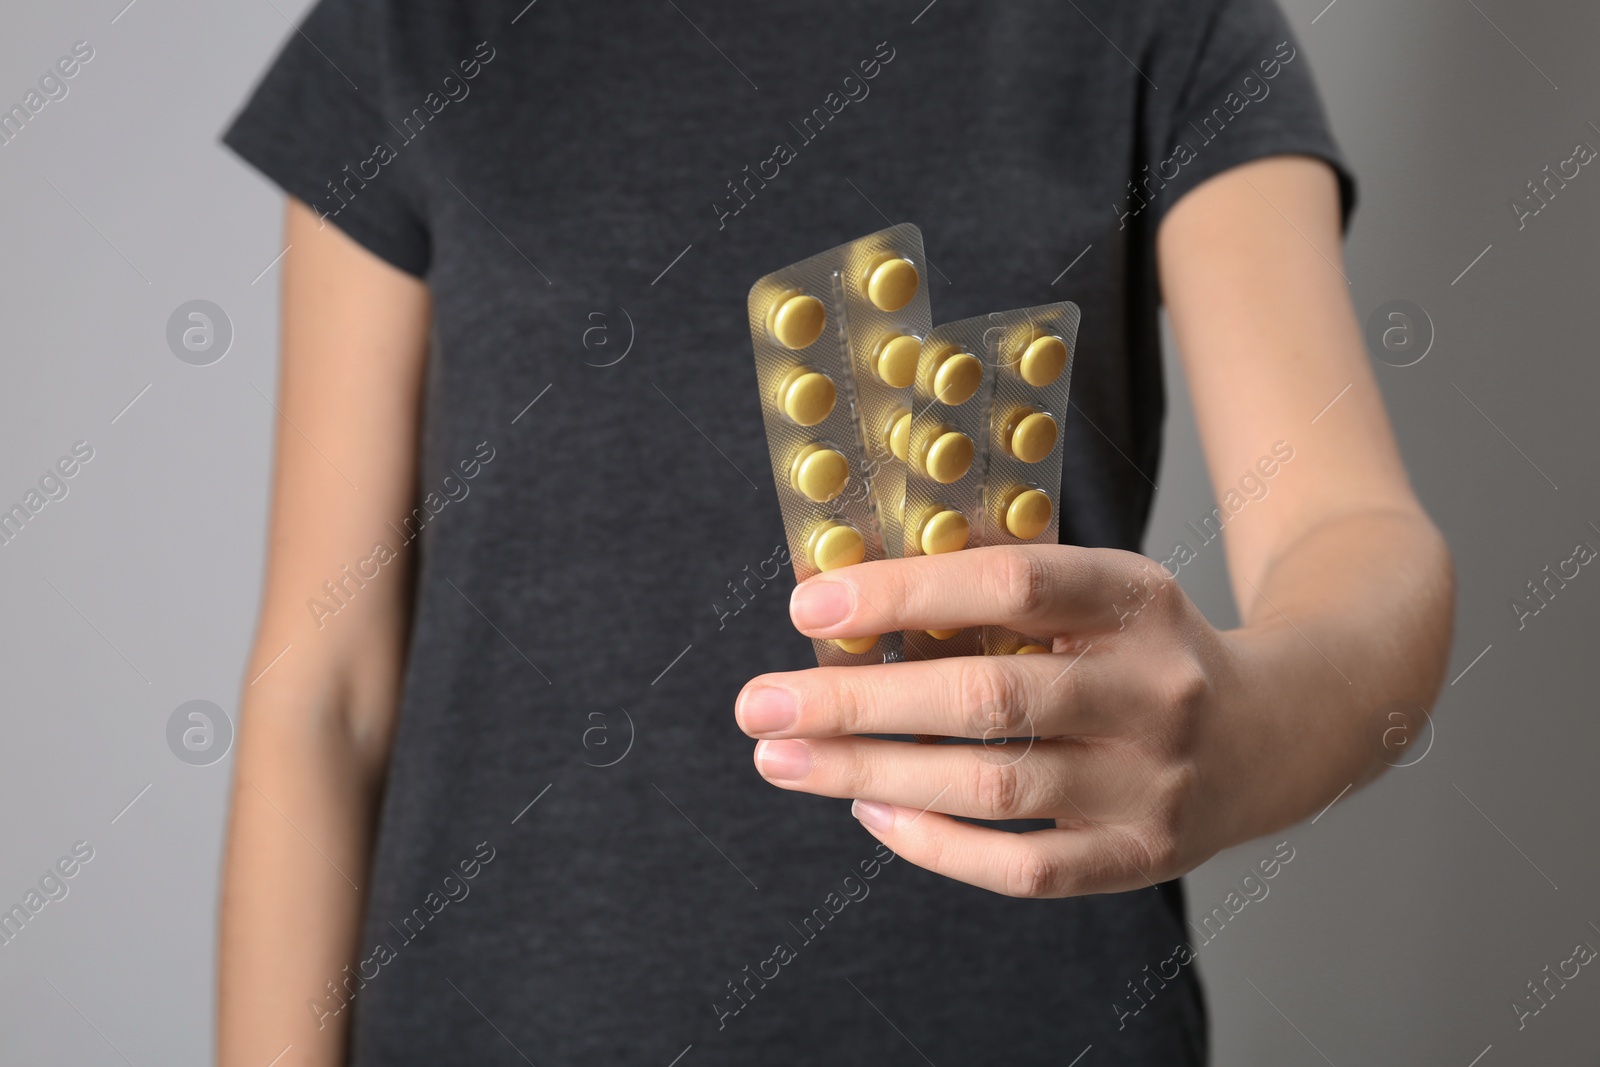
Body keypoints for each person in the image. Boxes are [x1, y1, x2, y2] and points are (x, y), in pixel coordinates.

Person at [217, 0, 1453, 1063]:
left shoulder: (1148, 20)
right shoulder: (415, 29)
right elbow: (321, 692)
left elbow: (1350, 529)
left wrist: (1249, 719)